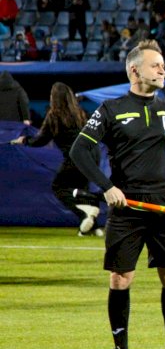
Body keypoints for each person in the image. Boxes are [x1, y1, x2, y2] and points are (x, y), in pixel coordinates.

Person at [69, 40, 165, 349]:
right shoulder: (110, 110)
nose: (161, 69)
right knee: (120, 278)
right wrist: (107, 187)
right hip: (127, 207)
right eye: (154, 64)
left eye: (162, 64)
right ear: (134, 70)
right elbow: (79, 152)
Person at [11, 82, 103, 236]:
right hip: (94, 154)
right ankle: (92, 228)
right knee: (81, 190)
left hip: (77, 156)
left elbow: (41, 139)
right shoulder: (80, 112)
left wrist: (24, 140)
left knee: (59, 187)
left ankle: (84, 214)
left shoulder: (54, 115)